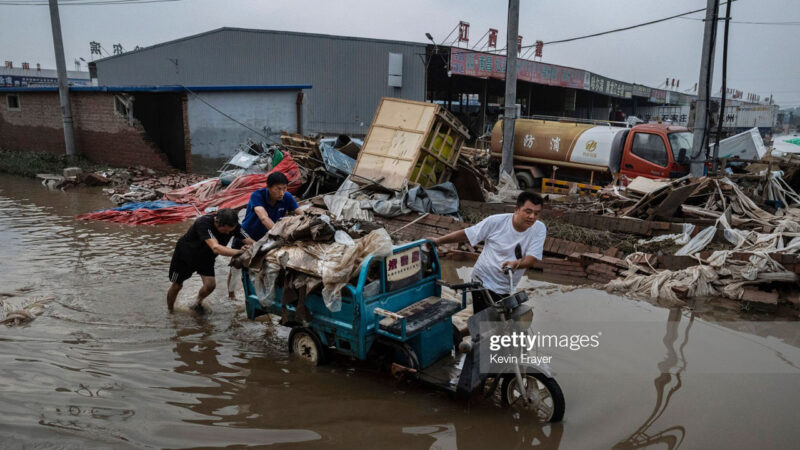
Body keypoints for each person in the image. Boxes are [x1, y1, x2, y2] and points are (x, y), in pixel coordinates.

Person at [430, 191, 545, 314]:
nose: (532, 217)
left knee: (505, 321)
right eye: (528, 212)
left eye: (536, 213)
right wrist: (438, 241)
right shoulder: (495, 222)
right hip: (483, 281)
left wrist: (516, 263)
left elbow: (531, 259)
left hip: (508, 285)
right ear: (516, 209)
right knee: (485, 324)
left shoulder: (539, 228)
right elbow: (468, 234)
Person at [227, 171, 299, 298]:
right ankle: (231, 295)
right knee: (236, 268)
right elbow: (263, 217)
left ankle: (258, 295)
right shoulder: (257, 195)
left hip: (267, 239)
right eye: (278, 189)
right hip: (245, 236)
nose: (282, 193)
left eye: (284, 188)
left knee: (262, 266)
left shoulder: (287, 197)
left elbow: (300, 214)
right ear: (269, 187)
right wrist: (280, 236)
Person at [167, 208, 253, 313]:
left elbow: (251, 242)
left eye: (230, 231)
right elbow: (215, 247)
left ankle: (197, 302)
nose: (227, 233)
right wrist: (239, 252)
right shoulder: (203, 223)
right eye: (225, 230)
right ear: (216, 222)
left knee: (210, 285)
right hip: (185, 256)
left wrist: (259, 248)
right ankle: (170, 311)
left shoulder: (234, 227)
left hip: (206, 257)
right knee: (177, 285)